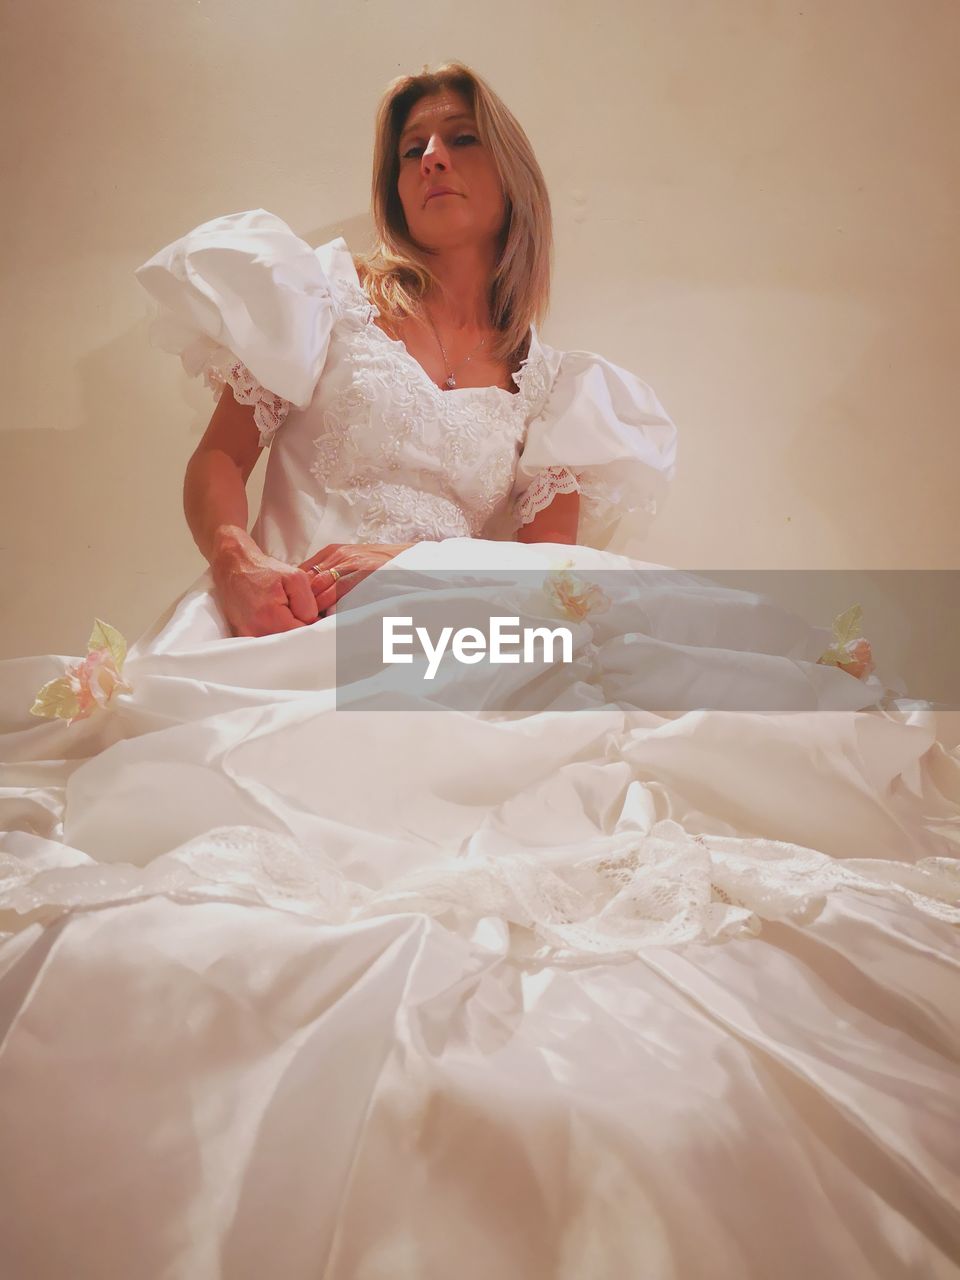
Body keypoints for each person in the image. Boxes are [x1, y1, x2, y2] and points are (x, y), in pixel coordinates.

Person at [1, 61, 958, 1279]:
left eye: (457, 139)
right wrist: (239, 564)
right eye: (410, 149)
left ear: (511, 173)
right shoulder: (326, 301)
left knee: (589, 666)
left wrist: (407, 562)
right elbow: (219, 461)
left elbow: (542, 576)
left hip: (441, 613)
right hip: (292, 610)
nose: (432, 161)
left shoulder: (556, 387)